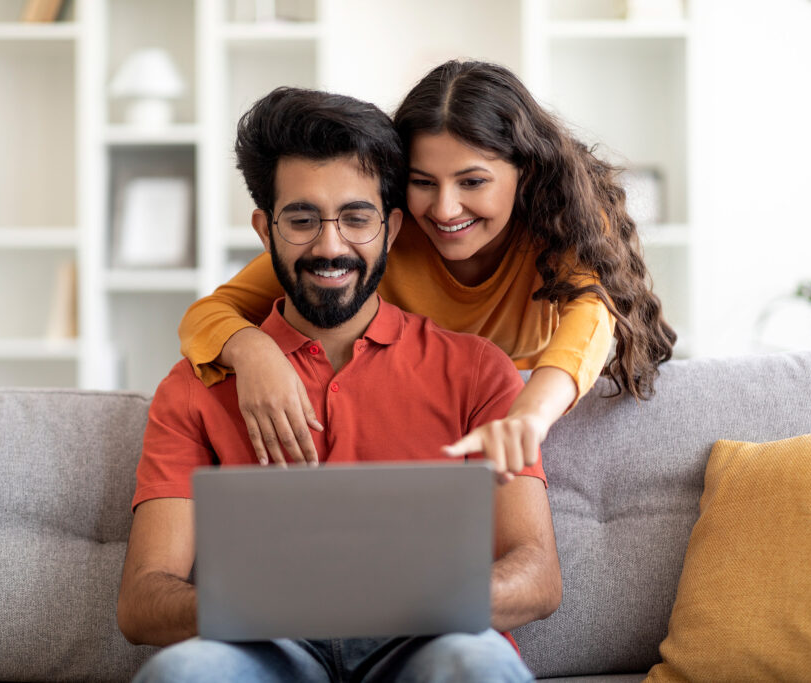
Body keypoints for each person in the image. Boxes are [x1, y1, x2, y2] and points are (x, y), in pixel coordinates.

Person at [117, 86, 563, 682]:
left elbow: (538, 577)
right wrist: (274, 607)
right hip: (265, 646)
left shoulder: (477, 371)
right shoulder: (197, 386)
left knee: (474, 663)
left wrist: (400, 597)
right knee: (184, 675)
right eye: (301, 219)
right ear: (264, 228)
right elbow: (142, 602)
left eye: (356, 218)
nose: (330, 246)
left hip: (428, 641)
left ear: (393, 226)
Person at [178, 60, 676, 477]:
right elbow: (211, 312)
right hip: (410, 414)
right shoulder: (377, 234)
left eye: (472, 182)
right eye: (423, 182)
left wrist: (528, 416)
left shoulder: (560, 223)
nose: (444, 209)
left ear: (525, 173)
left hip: (507, 405)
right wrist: (254, 352)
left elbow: (592, 315)